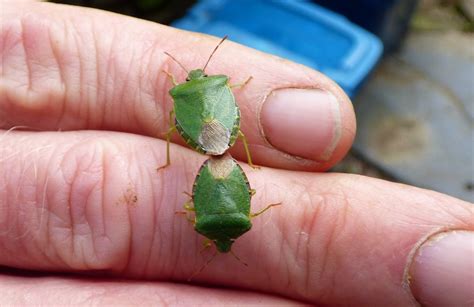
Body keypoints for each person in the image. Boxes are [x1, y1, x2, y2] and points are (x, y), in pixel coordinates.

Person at [0, 1, 472, 306]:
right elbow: (233, 189)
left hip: (213, 156)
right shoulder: (219, 98)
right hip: (220, 152)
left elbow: (242, 197)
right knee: (227, 142)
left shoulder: (188, 105)